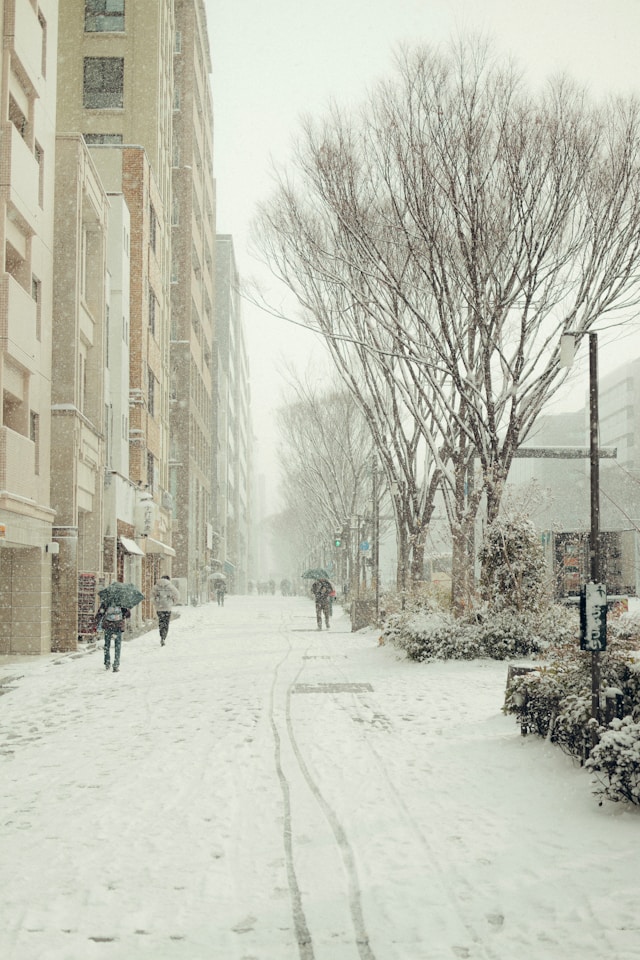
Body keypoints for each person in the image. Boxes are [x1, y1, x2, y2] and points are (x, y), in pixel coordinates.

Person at [95, 601, 131, 672]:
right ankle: (116, 664)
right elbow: (128, 615)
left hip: (108, 626)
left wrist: (97, 621)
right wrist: (124, 614)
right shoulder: (122, 602)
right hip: (118, 626)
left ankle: (107, 662)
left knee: (107, 645)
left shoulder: (106, 601)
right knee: (117, 646)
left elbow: (100, 614)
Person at [151, 574, 180, 646]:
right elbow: (177, 595)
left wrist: (156, 603)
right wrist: (173, 602)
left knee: (161, 621)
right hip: (167, 608)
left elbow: (151, 597)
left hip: (159, 608)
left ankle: (161, 635)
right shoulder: (171, 587)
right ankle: (164, 637)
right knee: (166, 622)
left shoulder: (156, 587)